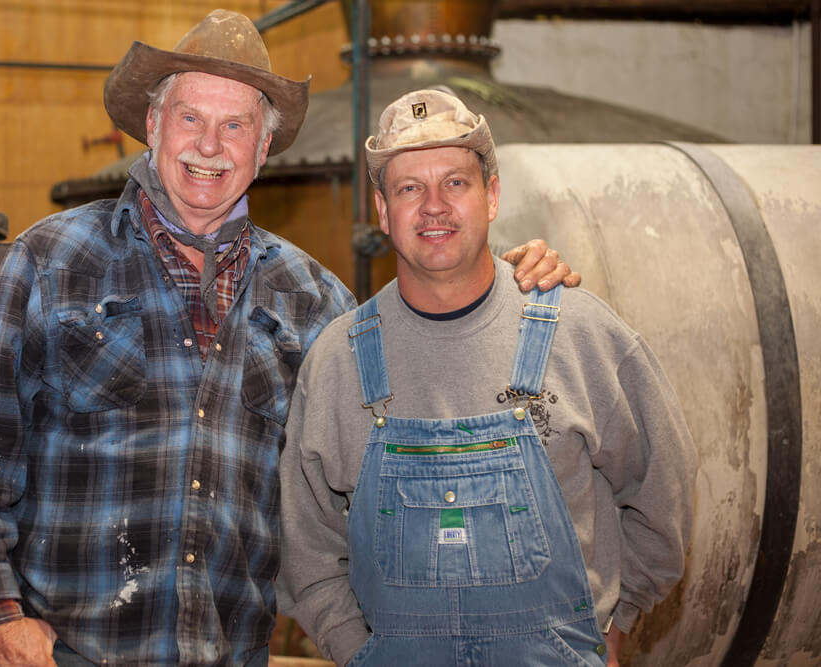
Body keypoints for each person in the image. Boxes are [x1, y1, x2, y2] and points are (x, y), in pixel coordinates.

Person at [0, 11, 578, 667]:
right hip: (67, 654)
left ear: (261, 149)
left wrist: (498, 283)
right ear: (153, 126)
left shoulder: (317, 302)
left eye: (235, 125)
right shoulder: (52, 260)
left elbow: (394, 476)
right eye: (190, 118)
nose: (209, 145)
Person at [276, 88, 697, 667]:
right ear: (382, 211)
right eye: (408, 188)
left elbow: (663, 496)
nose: (433, 206)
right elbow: (307, 548)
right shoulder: (337, 362)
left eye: (455, 182)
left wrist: (616, 625)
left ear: (491, 195)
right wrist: (357, 651)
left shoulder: (582, 335)